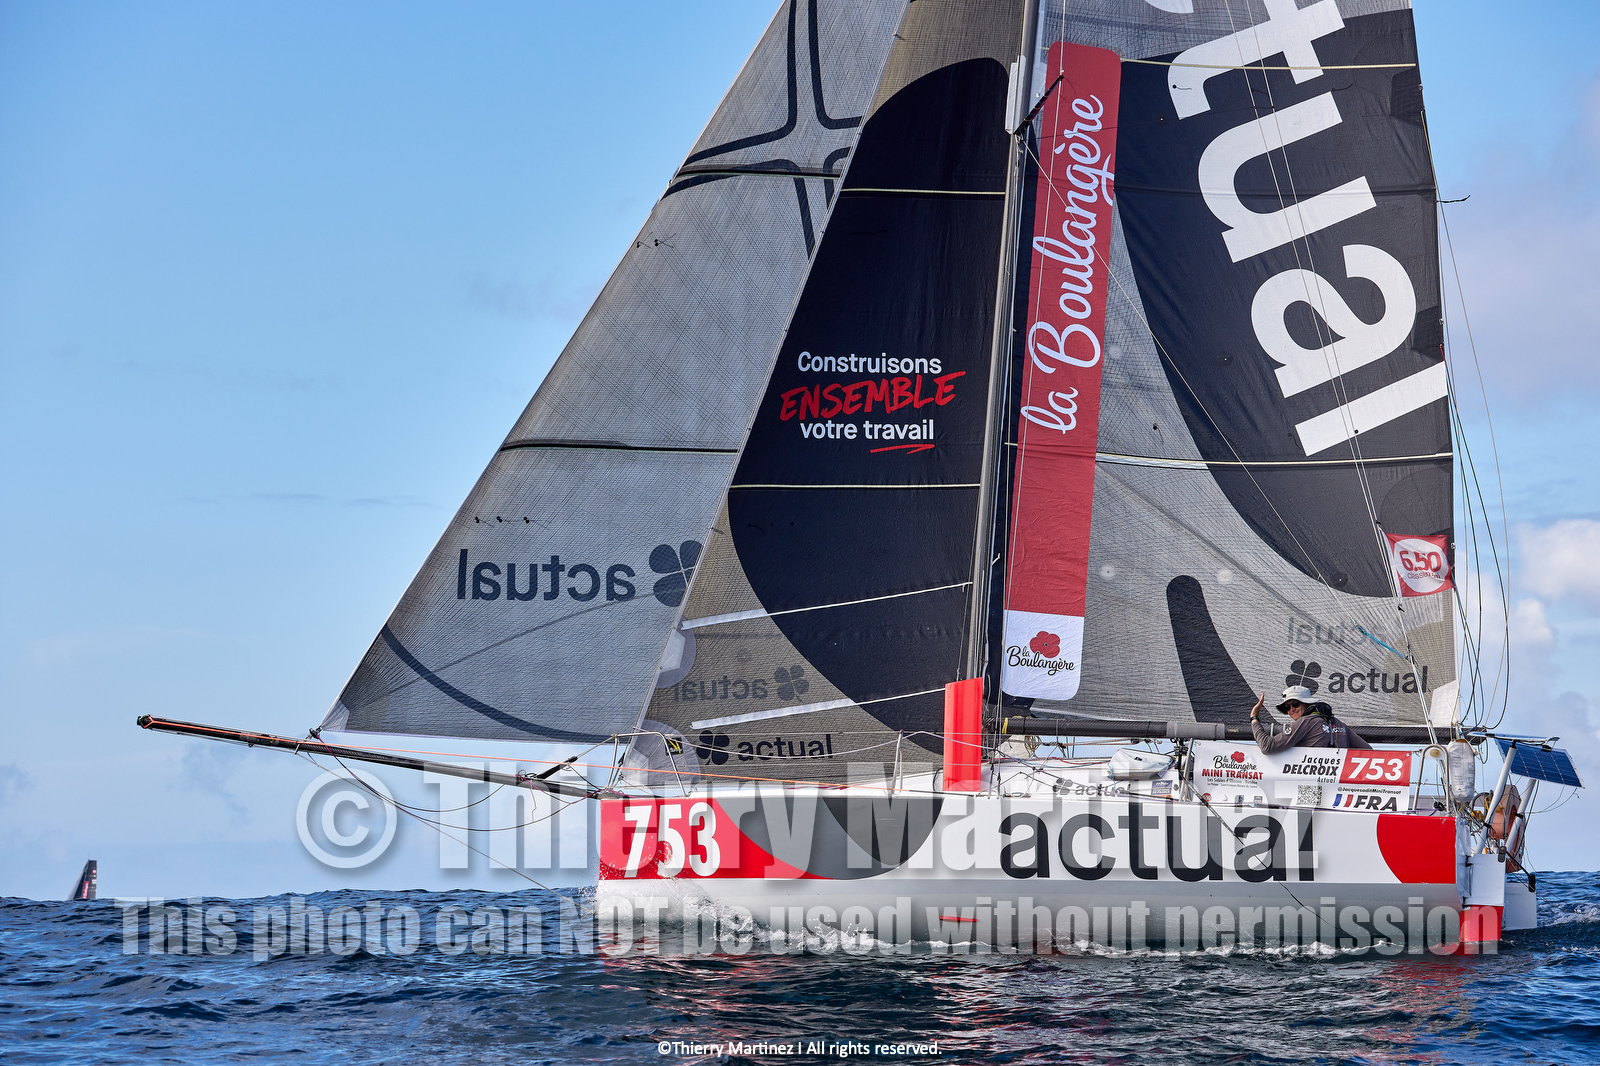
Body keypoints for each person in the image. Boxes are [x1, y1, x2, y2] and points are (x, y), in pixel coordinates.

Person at [1249, 685, 1373, 754]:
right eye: (1287, 706)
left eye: (1295, 704)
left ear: (1307, 704)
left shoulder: (1305, 722)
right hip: (1338, 788)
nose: (1291, 709)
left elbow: (1267, 746)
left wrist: (1254, 718)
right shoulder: (1339, 724)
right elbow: (1369, 752)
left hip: (1310, 786)